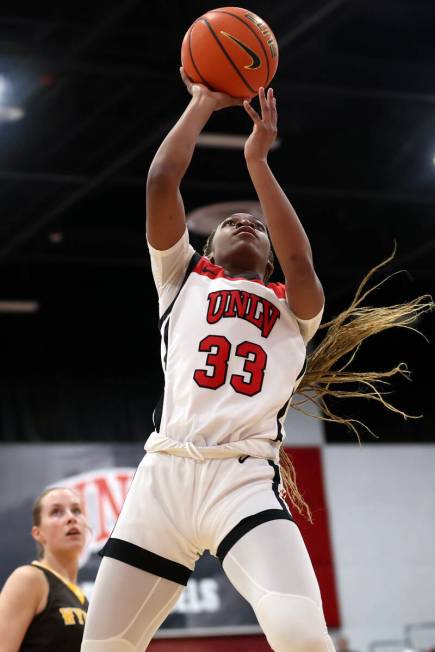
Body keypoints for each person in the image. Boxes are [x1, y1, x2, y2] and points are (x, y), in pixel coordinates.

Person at [81, 70, 432, 652]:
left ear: (269, 260)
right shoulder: (181, 278)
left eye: (257, 228)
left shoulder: (297, 307)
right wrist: (199, 104)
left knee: (301, 636)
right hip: (163, 480)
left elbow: (300, 256)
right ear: (207, 247)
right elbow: (161, 180)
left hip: (240, 480)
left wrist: (258, 162)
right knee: (103, 648)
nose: (244, 223)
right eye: (229, 222)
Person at [0, 487, 89, 652]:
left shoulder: (84, 599)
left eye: (76, 511)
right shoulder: (29, 579)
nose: (71, 517)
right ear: (38, 533)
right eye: (56, 512)